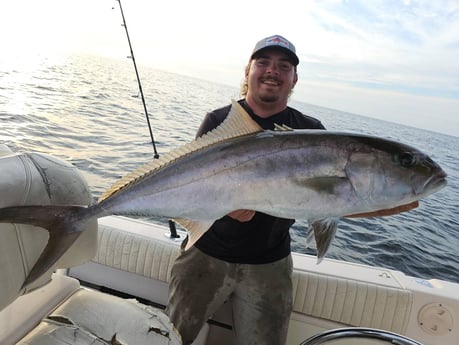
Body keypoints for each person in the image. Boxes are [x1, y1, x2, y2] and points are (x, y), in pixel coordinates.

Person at [166, 34, 324, 345]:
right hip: (204, 254)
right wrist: (225, 209)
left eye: (283, 66)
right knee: (172, 339)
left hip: (270, 263)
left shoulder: (311, 132)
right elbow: (190, 188)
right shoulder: (219, 119)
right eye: (263, 62)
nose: (272, 71)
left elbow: (321, 198)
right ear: (248, 71)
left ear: (294, 79)